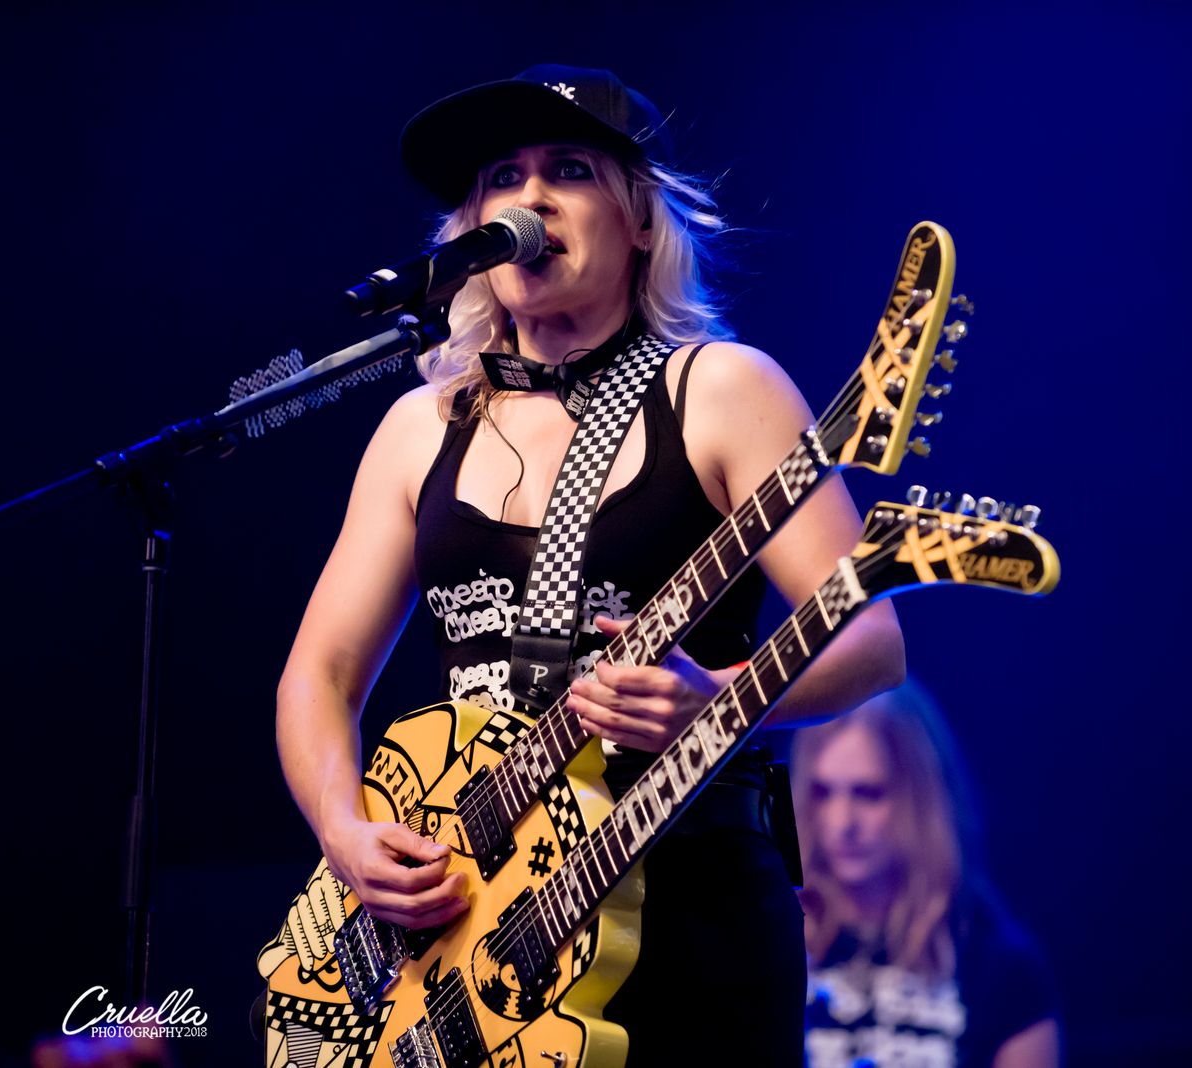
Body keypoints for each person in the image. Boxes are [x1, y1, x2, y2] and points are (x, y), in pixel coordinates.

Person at [274, 64, 905, 1064]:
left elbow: (871, 641)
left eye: (569, 170)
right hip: (474, 932)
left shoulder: (721, 388)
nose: (529, 198)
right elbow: (321, 672)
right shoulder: (420, 427)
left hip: (685, 899)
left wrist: (719, 699)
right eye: (502, 178)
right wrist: (345, 836)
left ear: (643, 221)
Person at [793, 681, 1061, 1067]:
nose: (842, 822)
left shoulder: (999, 965)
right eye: (823, 792)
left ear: (922, 796)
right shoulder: (773, 941)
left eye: (868, 793)